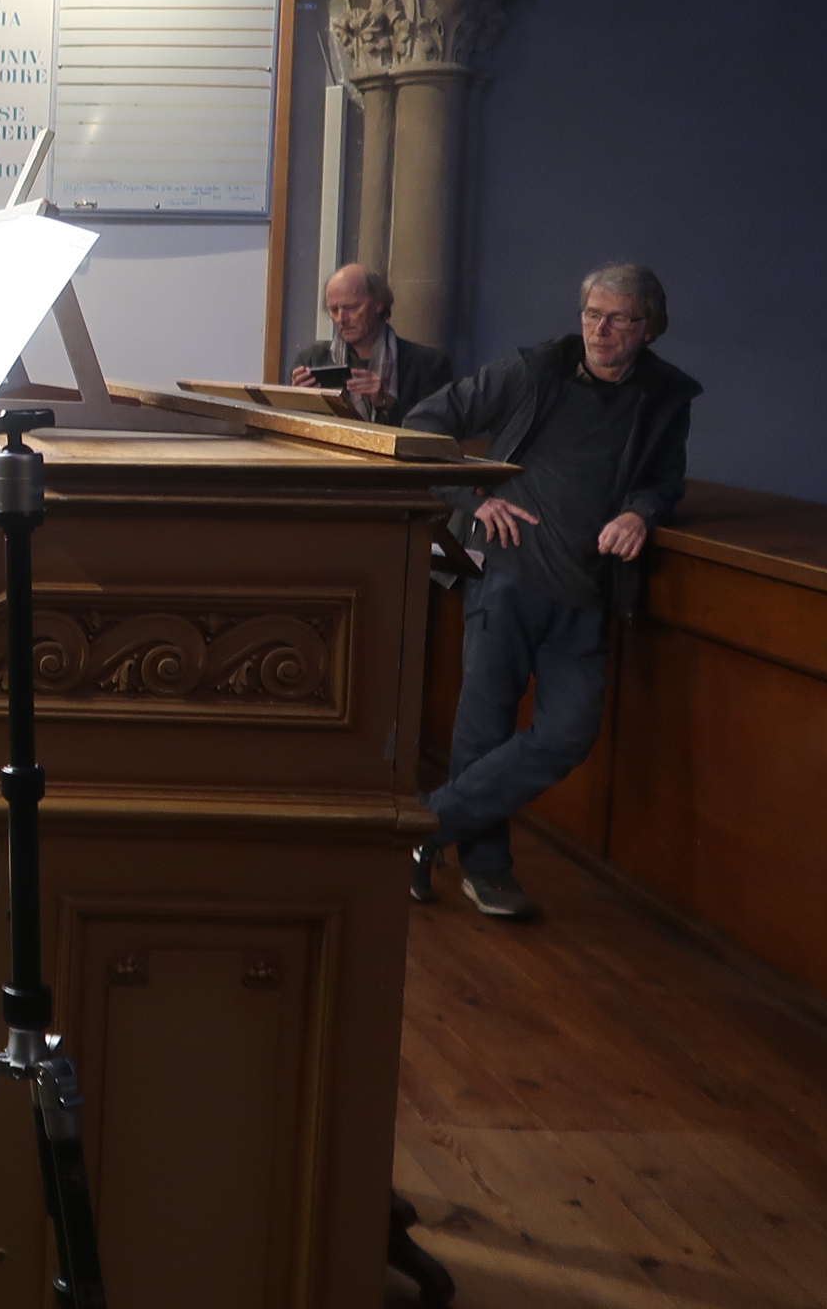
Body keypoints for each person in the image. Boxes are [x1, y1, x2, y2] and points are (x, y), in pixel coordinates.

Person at [404, 263, 699, 920]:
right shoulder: (534, 370)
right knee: (483, 727)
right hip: (509, 574)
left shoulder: (666, 395)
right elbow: (422, 424)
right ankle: (486, 870)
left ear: (648, 329)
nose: (600, 329)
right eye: (592, 314)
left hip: (589, 590)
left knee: (569, 731)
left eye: (618, 318)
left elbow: (664, 479)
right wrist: (471, 497)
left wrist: (640, 512)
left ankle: (423, 829)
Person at [287, 264, 453, 425]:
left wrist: (386, 402)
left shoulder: (427, 365)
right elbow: (293, 427)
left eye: (351, 308)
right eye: (333, 310)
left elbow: (437, 431)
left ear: (378, 304)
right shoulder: (312, 360)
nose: (341, 319)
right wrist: (298, 401)